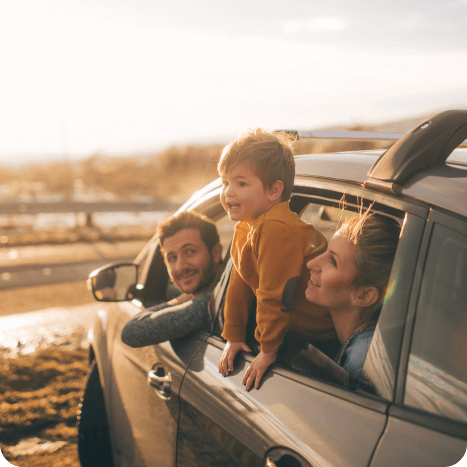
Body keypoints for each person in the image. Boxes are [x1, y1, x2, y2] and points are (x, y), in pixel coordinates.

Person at [217, 129, 335, 391]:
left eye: (241, 184)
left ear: (273, 191)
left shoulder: (275, 228)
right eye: (225, 183)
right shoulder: (248, 226)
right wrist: (234, 335)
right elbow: (240, 281)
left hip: (323, 337)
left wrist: (268, 351)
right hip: (299, 332)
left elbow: (273, 295)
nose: (228, 193)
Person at [305, 210, 401, 378]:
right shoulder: (367, 343)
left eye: (332, 261)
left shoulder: (361, 362)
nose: (311, 263)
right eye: (326, 250)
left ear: (364, 296)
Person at [121, 211, 224, 347]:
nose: (180, 267)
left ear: (216, 252)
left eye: (190, 251)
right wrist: (186, 298)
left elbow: (131, 332)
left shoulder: (213, 304)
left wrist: (182, 299)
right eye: (172, 258)